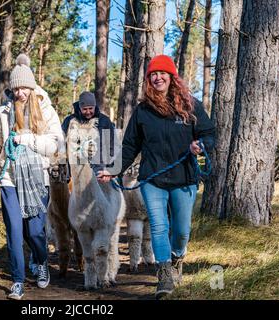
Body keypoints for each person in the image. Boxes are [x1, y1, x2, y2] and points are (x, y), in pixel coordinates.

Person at [97, 55, 215, 299]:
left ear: (172, 77)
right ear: (149, 80)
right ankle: (164, 276)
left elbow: (209, 134)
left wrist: (200, 145)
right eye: (153, 74)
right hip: (152, 180)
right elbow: (130, 146)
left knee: (181, 231)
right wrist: (113, 169)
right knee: (159, 227)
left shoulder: (191, 105)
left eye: (162, 73)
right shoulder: (143, 111)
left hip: (184, 178)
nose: (158, 77)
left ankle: (176, 258)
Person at [0, 53, 64, 300]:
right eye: (16, 88)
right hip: (10, 181)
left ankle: (41, 261)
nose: (20, 93)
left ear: (32, 86)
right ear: (12, 89)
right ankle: (18, 280)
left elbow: (56, 143)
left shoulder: (46, 109)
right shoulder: (3, 112)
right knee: (14, 230)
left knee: (35, 231)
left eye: (25, 87)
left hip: (38, 179)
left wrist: (27, 139)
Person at [61, 91, 116, 176]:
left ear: (95, 106)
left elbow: (111, 145)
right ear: (79, 107)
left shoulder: (104, 121)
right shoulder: (69, 121)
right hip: (75, 167)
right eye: (85, 109)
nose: (88, 112)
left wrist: (110, 168)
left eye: (90, 108)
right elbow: (62, 143)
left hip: (98, 168)